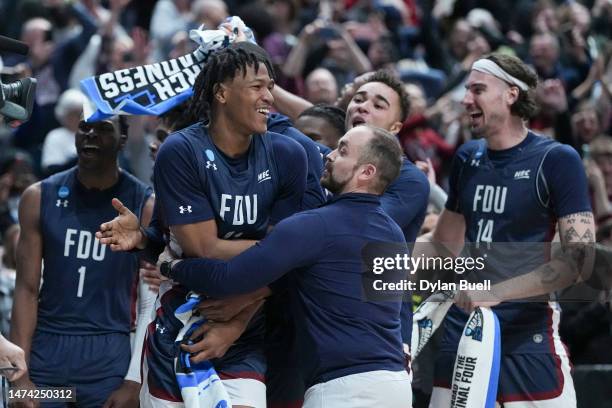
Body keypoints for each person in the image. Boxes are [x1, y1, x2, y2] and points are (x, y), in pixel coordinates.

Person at [99, 43, 308, 408]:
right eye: (257, 86)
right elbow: (204, 249)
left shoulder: (288, 154)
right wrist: (278, 252)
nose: (269, 96)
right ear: (222, 92)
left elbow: (290, 261)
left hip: (248, 326)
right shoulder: (180, 150)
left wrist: (237, 320)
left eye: (270, 86)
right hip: (179, 322)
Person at [160, 124, 413, 408]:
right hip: (396, 385)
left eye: (342, 151)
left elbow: (227, 279)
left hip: (346, 390)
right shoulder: (394, 233)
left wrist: (172, 266)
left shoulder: (315, 225)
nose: (329, 155)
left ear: (367, 172)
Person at [423, 53, 595, 407]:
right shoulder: (467, 158)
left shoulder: (558, 159)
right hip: (462, 330)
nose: (466, 99)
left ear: (511, 94)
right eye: (466, 90)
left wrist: (496, 291)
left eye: (478, 89)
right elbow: (443, 246)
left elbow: (578, 262)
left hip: (526, 337)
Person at [10, 115, 154, 407]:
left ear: (123, 139)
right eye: (84, 127)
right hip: (48, 353)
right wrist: (18, 379)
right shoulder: (38, 196)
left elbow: (151, 297)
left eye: (103, 129)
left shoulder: (144, 203)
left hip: (108, 357)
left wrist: (135, 378)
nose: (90, 134)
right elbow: (25, 289)